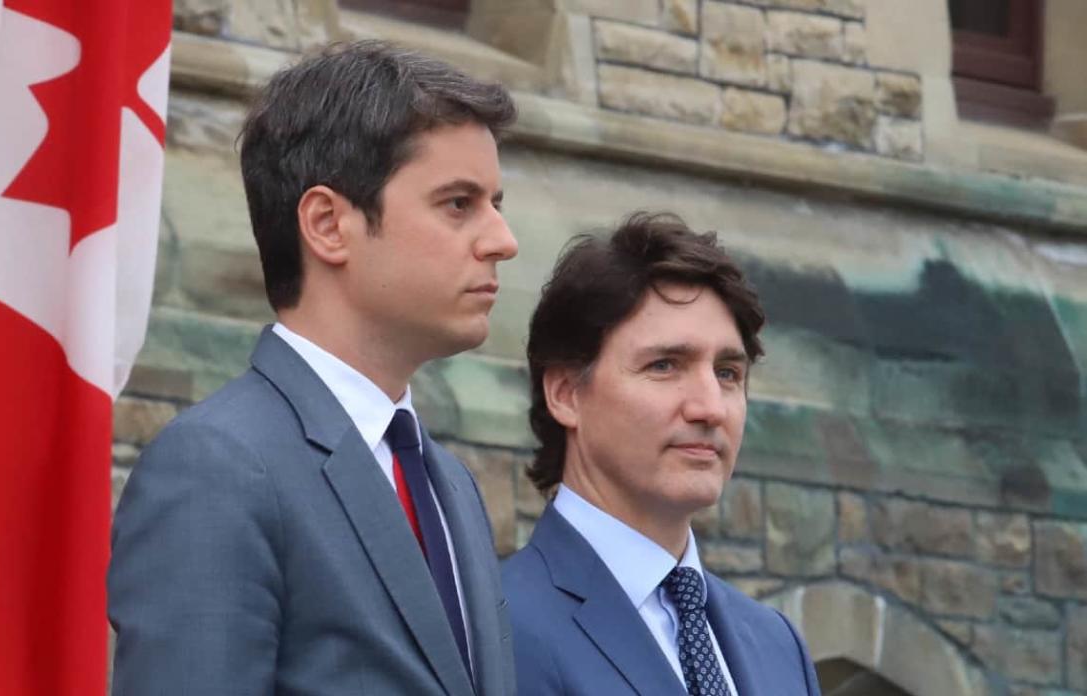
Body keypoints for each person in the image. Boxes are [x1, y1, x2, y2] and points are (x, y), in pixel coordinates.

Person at [108, 41, 519, 696]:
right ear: (328, 224)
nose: (503, 240)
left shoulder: (449, 485)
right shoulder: (216, 469)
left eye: (496, 203)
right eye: (457, 204)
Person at [502, 213, 821, 696]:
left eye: (728, 373)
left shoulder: (779, 648)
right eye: (665, 365)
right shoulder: (493, 626)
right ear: (566, 393)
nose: (710, 407)